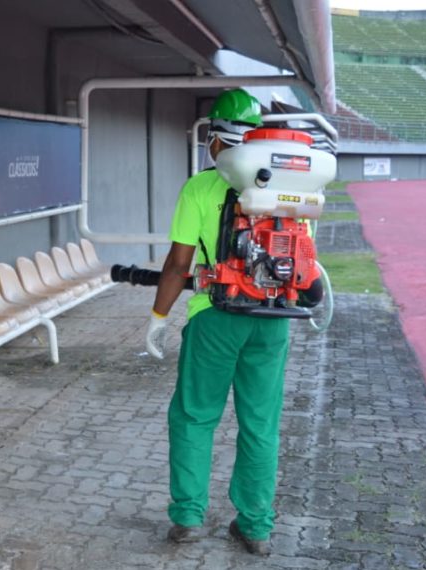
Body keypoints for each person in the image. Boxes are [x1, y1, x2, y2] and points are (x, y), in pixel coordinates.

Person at [145, 89, 288, 556]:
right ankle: (255, 526)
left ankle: (188, 518)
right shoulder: (290, 186)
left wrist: (159, 315)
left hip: (215, 317)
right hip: (273, 319)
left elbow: (176, 264)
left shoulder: (201, 187)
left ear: (215, 138)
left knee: (193, 416)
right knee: (260, 423)